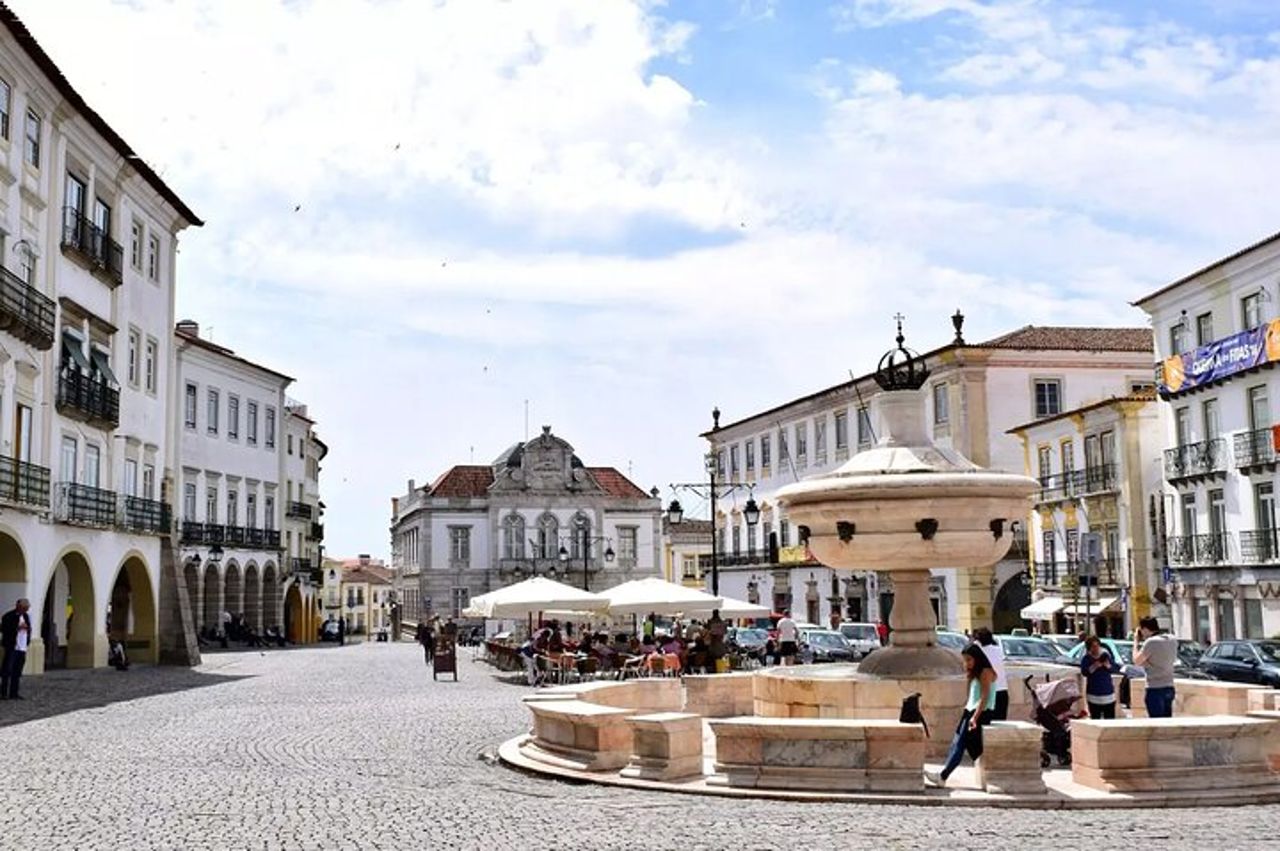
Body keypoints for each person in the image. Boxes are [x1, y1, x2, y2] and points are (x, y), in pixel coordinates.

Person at [928, 644, 997, 787]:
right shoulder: (975, 673)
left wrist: (974, 717)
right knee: (956, 742)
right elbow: (971, 695)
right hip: (970, 710)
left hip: (980, 712)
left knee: (960, 744)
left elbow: (984, 698)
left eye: (969, 659)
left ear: (977, 658)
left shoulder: (986, 672)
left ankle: (943, 776)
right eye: (965, 660)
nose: (967, 663)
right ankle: (943, 775)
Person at [1134, 616, 1177, 718]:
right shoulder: (1172, 639)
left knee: (1156, 722)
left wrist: (1135, 642)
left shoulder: (1151, 642)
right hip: (1169, 686)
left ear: (1145, 629)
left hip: (1155, 688)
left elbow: (1136, 661)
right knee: (1167, 722)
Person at [973, 628, 1008, 720]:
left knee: (983, 723)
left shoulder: (978, 652)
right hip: (1002, 691)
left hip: (987, 693)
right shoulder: (998, 650)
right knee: (1000, 724)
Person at [0, 598, 32, 700]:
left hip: (22, 647)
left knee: (17, 671)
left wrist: (27, 629)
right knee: (7, 670)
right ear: (18, 606)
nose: (25, 610)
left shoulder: (26, 616)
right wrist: (17, 628)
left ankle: (14, 693)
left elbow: (29, 629)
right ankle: (3, 693)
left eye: (26, 608)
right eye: (24, 608)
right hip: (12, 646)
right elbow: (4, 629)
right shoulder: (8, 616)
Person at [1080, 636, 1116, 720]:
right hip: (1093, 695)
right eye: (1093, 646)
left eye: (1097, 646)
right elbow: (1084, 672)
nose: (1096, 648)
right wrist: (1094, 666)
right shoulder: (1086, 659)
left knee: (1110, 719)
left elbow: (1115, 668)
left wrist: (1108, 666)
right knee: (1095, 718)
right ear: (1089, 648)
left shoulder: (1106, 656)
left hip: (1108, 694)